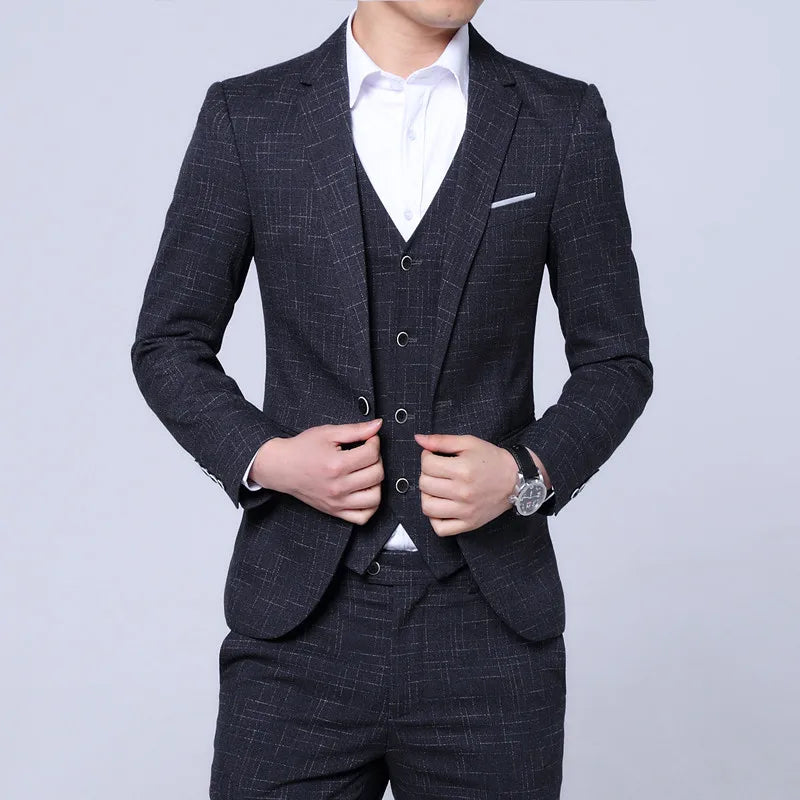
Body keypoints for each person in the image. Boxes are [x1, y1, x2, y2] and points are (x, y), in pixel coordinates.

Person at [130, 1, 653, 797]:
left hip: (490, 631)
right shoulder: (249, 117)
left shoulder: (560, 119)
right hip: (298, 625)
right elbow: (168, 342)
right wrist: (268, 459)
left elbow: (616, 360)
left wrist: (526, 473)